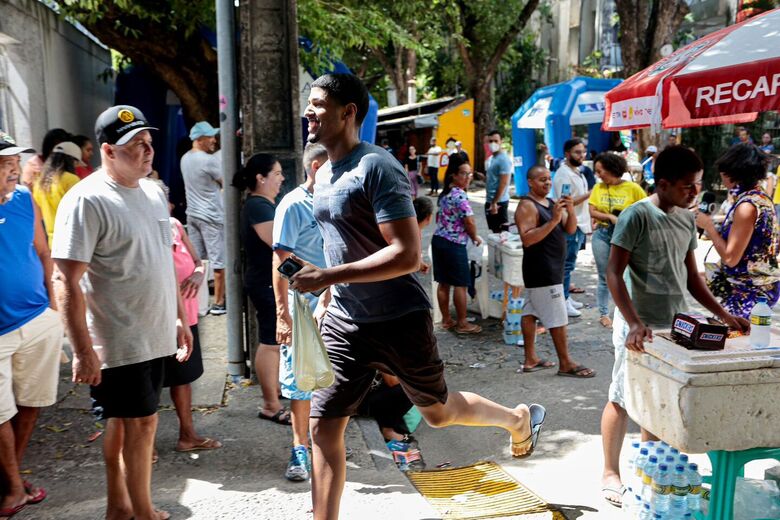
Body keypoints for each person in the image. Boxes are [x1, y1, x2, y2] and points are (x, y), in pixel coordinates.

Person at [295, 73, 544, 520]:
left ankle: (516, 418)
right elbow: (342, 241)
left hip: (399, 317)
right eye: (308, 104)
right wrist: (329, 294)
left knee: (438, 414)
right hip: (346, 322)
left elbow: (407, 254)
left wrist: (328, 274)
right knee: (323, 427)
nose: (308, 112)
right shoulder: (324, 172)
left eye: (317, 103)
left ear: (348, 111)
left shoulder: (377, 166)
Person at [52, 105, 193, 520]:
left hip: (154, 330)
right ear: (109, 151)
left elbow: (160, 260)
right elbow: (66, 282)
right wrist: (82, 349)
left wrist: (179, 318)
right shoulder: (87, 199)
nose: (148, 150)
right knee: (142, 424)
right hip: (118, 337)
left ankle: (120, 505)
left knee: (124, 420)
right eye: (136, 145)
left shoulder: (151, 191)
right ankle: (143, 512)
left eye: (149, 142)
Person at [599, 145, 749, 509]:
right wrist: (633, 321)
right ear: (663, 184)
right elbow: (614, 274)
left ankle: (651, 467)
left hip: (674, 323)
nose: (695, 193)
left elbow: (692, 276)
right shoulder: (636, 216)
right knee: (621, 397)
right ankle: (609, 472)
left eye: (697, 184)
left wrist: (724, 314)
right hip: (637, 323)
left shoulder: (685, 217)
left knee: (660, 398)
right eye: (687, 186)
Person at [0, 132, 62, 518]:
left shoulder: (26, 200)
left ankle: (11, 479)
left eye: (14, 163)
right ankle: (11, 488)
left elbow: (42, 252)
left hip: (37, 319)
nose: (14, 170)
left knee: (30, 405)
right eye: (5, 164)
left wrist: (54, 309)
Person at [271, 143, 328, 481]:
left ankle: (325, 444)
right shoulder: (293, 205)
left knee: (333, 377)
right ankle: (299, 449)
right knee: (300, 381)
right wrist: (283, 314)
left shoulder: (340, 200)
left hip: (337, 302)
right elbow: (281, 262)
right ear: (316, 166)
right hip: (302, 305)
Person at [152, 180, 222, 454]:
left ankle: (187, 434)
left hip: (188, 316)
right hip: (157, 318)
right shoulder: (146, 231)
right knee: (152, 383)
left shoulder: (175, 226)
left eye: (163, 199)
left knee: (183, 377)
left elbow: (197, 262)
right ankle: (146, 446)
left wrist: (196, 274)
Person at [515, 165, 595, 378]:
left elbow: (570, 230)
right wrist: (552, 220)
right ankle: (565, 363)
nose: (547, 183)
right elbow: (527, 239)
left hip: (552, 268)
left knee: (530, 312)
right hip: (542, 270)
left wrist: (568, 209)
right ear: (530, 182)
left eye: (548, 180)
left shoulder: (551, 203)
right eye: (542, 180)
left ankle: (530, 358)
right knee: (557, 318)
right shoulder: (527, 206)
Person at [233, 153, 291, 426]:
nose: (282, 178)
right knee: (270, 342)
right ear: (261, 178)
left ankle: (275, 394)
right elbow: (279, 244)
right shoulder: (258, 206)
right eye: (277, 173)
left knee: (276, 342)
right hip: (265, 281)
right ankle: (270, 404)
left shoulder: (262, 204)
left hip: (268, 280)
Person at [695, 144, 779, 318]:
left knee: (734, 342)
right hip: (756, 289)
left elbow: (731, 258)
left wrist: (709, 227)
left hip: (749, 294)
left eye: (724, 172)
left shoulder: (747, 206)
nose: (722, 177)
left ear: (732, 174)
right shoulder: (761, 198)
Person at [588, 153, 647, 328]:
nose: (598, 175)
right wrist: (609, 217)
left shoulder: (633, 189)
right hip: (603, 233)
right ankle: (604, 313)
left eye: (601, 171)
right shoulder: (598, 188)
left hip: (626, 236)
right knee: (604, 275)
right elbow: (592, 211)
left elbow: (646, 210)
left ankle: (628, 311)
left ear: (612, 169)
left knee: (627, 274)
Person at [432, 156, 482, 334]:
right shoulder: (459, 194)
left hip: (439, 241)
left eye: (470, 173)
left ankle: (447, 319)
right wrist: (475, 237)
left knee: (443, 282)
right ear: (454, 175)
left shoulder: (446, 193)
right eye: (464, 173)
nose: (468, 177)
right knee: (461, 284)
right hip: (454, 243)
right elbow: (469, 221)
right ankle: (462, 323)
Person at [180, 121, 226, 316]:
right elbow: (226, 181)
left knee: (198, 262)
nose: (214, 140)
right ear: (199, 140)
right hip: (212, 216)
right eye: (210, 137)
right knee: (218, 262)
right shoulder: (208, 161)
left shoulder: (184, 159)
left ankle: (198, 304)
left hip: (192, 215)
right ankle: (219, 302)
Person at [552, 138, 592, 317]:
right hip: (570, 224)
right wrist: (589, 194)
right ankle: (563, 301)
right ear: (567, 154)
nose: (581, 155)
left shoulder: (578, 172)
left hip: (580, 223)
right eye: (577, 152)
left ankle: (566, 298)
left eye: (583, 152)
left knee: (570, 263)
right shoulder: (563, 174)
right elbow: (565, 201)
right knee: (566, 265)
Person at [31, 141, 83, 244]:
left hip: (52, 242)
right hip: (73, 240)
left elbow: (38, 214)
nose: (77, 167)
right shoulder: (71, 179)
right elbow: (81, 211)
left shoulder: (39, 183)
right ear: (71, 160)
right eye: (76, 163)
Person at [484, 130, 513, 233]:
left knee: (503, 233)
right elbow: (493, 178)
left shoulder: (503, 159)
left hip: (499, 202)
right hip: (490, 200)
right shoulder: (491, 158)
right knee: (494, 231)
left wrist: (494, 203)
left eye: (496, 141)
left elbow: (503, 183)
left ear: (501, 141)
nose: (493, 144)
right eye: (490, 141)